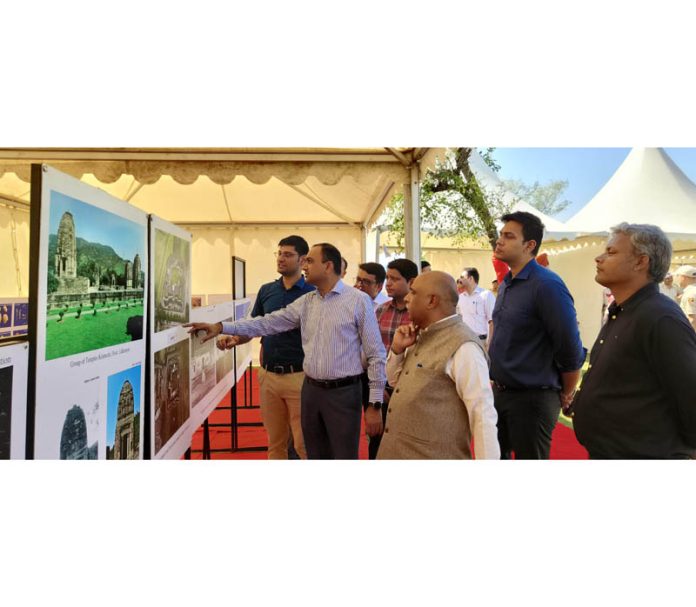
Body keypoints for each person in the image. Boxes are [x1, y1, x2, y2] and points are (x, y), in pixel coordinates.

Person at [186, 243, 386, 459]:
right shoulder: (307, 302)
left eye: (310, 260)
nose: (304, 265)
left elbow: (376, 354)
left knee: (343, 456)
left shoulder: (358, 301)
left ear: (328, 266)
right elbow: (267, 323)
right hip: (310, 391)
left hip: (343, 394)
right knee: (313, 454)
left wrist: (374, 404)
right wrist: (221, 327)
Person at [571, 223, 696, 458]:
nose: (599, 258)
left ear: (641, 261)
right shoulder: (623, 310)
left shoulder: (660, 317)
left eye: (611, 252)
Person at [488, 211, 585, 459]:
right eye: (501, 235)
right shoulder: (508, 283)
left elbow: (569, 346)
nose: (500, 241)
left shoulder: (547, 285)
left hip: (532, 399)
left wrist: (567, 391)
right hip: (500, 394)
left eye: (509, 236)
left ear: (530, 245)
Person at [377, 271, 500, 459]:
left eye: (414, 292)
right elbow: (395, 383)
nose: (408, 298)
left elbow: (483, 416)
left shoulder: (464, 346)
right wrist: (397, 350)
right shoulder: (419, 333)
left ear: (432, 301)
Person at [219, 235, 314, 459]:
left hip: (300, 376)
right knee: (275, 443)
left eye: (288, 254)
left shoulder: (313, 292)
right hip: (268, 376)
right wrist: (235, 338)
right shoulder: (266, 290)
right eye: (279, 253)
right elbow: (255, 325)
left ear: (302, 260)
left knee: (303, 444)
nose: (281, 258)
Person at [368, 258, 418, 459]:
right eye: (387, 278)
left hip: (409, 390)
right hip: (382, 387)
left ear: (411, 281)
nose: (388, 283)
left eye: (395, 279)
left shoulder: (418, 313)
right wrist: (379, 389)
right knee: (378, 444)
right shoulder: (380, 310)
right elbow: (373, 352)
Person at [456, 267, 495, 346]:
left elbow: (493, 321)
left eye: (462, 277)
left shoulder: (486, 295)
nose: (459, 280)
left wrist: (489, 344)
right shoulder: (460, 298)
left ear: (470, 278)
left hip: (482, 341)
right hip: (464, 341)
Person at [674, 265, 696, 331]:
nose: (676, 279)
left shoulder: (690, 293)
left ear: (683, 277)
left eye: (677, 276)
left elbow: (692, 319)